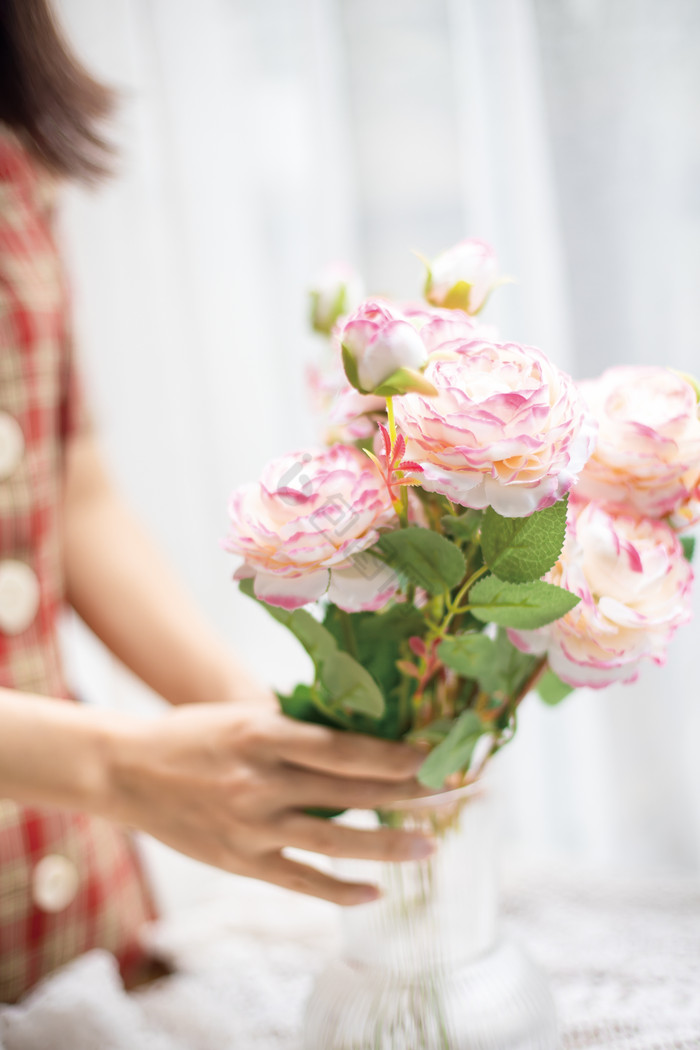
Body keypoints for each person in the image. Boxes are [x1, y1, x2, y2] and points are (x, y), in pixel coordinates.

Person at [0, 0, 433, 1004]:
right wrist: (112, 767)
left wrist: (266, 731)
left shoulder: (20, 146)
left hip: (68, 896)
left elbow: (71, 484)